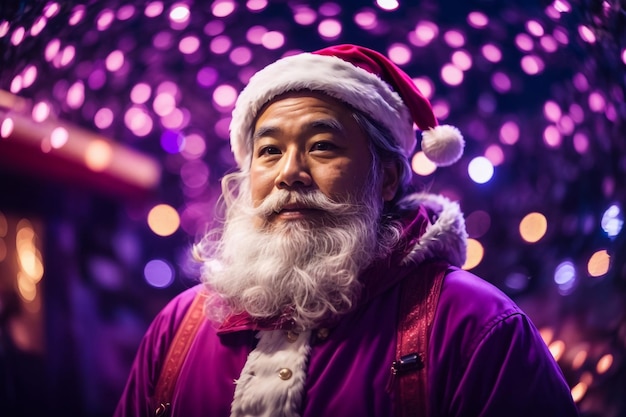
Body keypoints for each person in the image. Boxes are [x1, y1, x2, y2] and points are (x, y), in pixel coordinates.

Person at [114, 44, 579, 417]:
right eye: (270, 151)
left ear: (388, 177)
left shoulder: (476, 326)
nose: (289, 173)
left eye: (321, 146)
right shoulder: (177, 329)